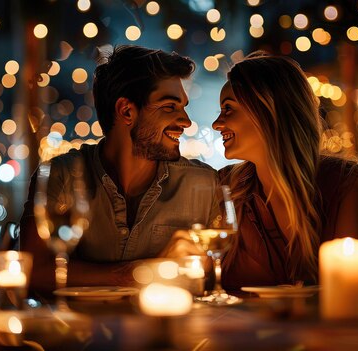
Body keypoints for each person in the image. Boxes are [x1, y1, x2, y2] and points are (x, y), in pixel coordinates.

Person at [19, 45, 215, 294]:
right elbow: (32, 271)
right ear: (126, 111)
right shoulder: (61, 176)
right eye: (170, 106)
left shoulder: (204, 184)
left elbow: (216, 277)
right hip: (81, 330)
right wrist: (139, 273)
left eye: (184, 107)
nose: (186, 121)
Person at [212, 52, 358, 291]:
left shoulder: (345, 183)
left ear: (268, 110)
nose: (217, 123)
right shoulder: (226, 187)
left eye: (228, 109)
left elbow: (355, 292)